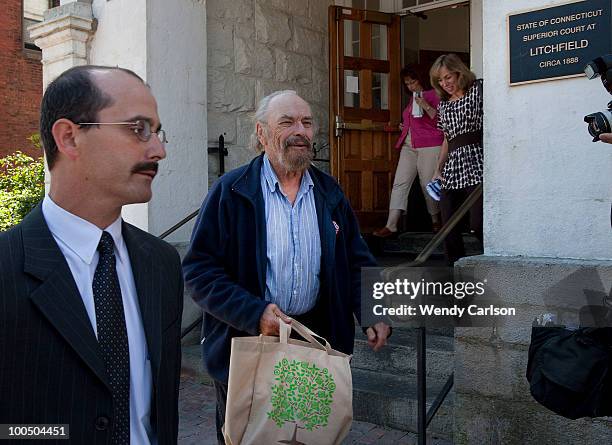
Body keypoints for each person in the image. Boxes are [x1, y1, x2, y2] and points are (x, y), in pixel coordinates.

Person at [182, 90, 391, 444]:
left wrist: (372, 310)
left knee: (305, 437)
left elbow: (357, 260)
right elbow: (199, 271)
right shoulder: (230, 192)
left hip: (313, 343)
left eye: (306, 122)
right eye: (287, 122)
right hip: (249, 344)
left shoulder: (329, 193)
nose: (300, 131)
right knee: (248, 437)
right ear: (262, 134)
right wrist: (254, 312)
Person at [0, 66, 184, 444]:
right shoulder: (6, 267)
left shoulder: (162, 264)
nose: (159, 149)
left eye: (157, 131)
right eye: (138, 128)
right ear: (69, 137)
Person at [373, 64, 444, 238]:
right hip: (409, 145)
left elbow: (442, 121)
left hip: (430, 144)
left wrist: (426, 105)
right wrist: (404, 126)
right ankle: (391, 225)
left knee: (427, 184)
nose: (411, 86)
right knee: (400, 183)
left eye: (413, 82)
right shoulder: (413, 97)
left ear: (422, 80)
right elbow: (414, 121)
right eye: (407, 83)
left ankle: (436, 221)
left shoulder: (435, 94)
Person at [430, 54, 484, 265]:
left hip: (476, 159)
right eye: (440, 81)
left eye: (448, 77)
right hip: (453, 164)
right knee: (448, 222)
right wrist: (438, 169)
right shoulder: (444, 105)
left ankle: (494, 256)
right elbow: (447, 138)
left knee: (478, 222)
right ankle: (453, 268)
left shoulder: (476, 90)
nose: (445, 84)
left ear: (458, 72)